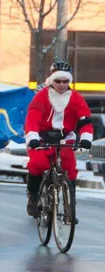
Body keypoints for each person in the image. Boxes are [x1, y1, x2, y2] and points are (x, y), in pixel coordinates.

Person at [24, 60, 94, 218]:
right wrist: (33, 137)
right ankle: (33, 197)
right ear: (51, 80)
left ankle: (70, 208)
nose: (62, 85)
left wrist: (86, 138)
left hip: (65, 137)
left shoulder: (76, 98)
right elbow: (32, 118)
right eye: (58, 81)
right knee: (37, 164)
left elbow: (85, 120)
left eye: (65, 81)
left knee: (70, 167)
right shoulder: (42, 96)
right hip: (42, 137)